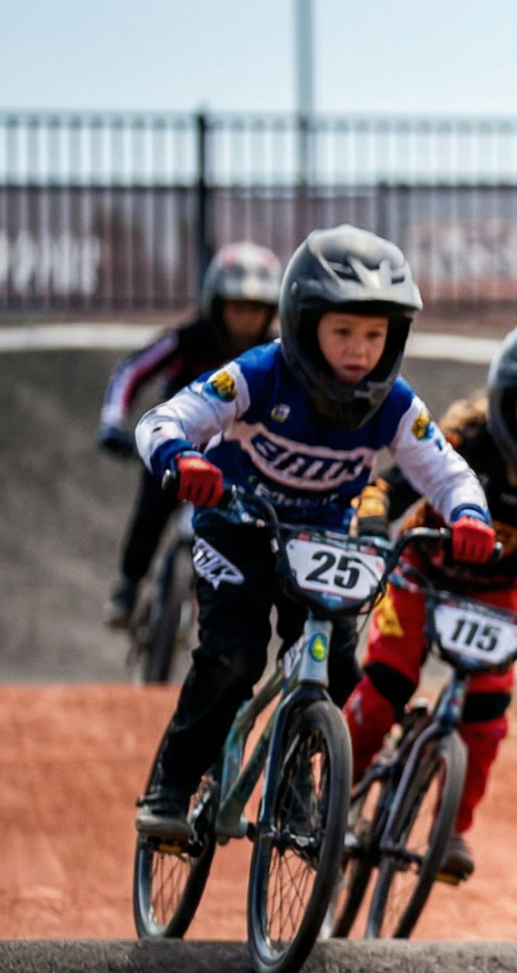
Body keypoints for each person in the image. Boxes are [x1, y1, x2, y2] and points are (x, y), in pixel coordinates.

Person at [132, 226, 494, 840]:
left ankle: (299, 787)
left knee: (341, 673)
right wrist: (179, 457)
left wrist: (470, 516)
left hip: (320, 544)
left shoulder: (396, 405)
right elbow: (164, 418)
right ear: (303, 323)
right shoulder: (258, 373)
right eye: (343, 331)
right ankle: (173, 781)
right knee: (233, 656)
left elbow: (448, 471)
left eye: (375, 334)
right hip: (235, 529)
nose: (360, 350)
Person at [343, 321, 517, 880]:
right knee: (387, 687)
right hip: (421, 572)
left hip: (495, 594)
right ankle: (329, 792)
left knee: (488, 715)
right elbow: (384, 488)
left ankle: (453, 828)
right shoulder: (461, 446)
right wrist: (374, 525)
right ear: (505, 404)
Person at [98, 243, 282, 628]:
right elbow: (131, 371)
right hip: (175, 450)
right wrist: (114, 422)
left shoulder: (275, 354)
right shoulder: (188, 338)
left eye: (255, 309)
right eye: (236, 307)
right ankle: (129, 587)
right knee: (152, 506)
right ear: (216, 304)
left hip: (238, 460)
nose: (245, 319)